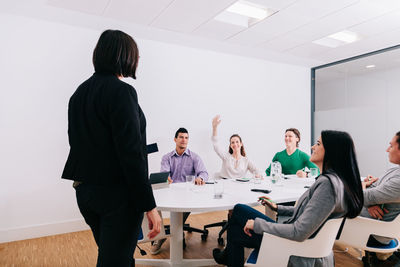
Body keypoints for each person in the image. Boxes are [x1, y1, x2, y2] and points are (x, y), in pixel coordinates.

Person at [61, 29, 161, 267]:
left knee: (113, 255)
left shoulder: (79, 94)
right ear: (123, 55)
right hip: (117, 197)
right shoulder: (122, 91)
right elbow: (131, 153)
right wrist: (149, 205)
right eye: (135, 55)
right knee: (115, 260)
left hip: (85, 192)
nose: (137, 60)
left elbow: (76, 141)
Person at [213, 130, 364, 267]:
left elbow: (298, 232)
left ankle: (228, 256)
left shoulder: (327, 186)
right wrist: (278, 208)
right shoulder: (334, 181)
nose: (312, 147)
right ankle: (228, 256)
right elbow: (308, 212)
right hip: (298, 242)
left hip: (295, 248)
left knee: (237, 219)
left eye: (318, 144)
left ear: (332, 152)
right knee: (237, 219)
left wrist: (257, 224)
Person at [150, 127, 208, 254]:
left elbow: (204, 172)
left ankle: (165, 235)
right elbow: (164, 174)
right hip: (171, 193)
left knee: (186, 205)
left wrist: (200, 177)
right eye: (181, 137)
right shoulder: (167, 158)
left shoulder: (194, 157)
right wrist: (166, 178)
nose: (184, 140)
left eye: (186, 138)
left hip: (188, 195)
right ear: (175, 139)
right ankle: (174, 232)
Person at [359, 131, 400, 260]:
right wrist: (370, 202)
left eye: (391, 146)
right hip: (370, 222)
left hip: (373, 232)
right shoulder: (395, 170)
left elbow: (359, 196)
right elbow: (370, 192)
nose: (387, 150)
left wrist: (363, 187)